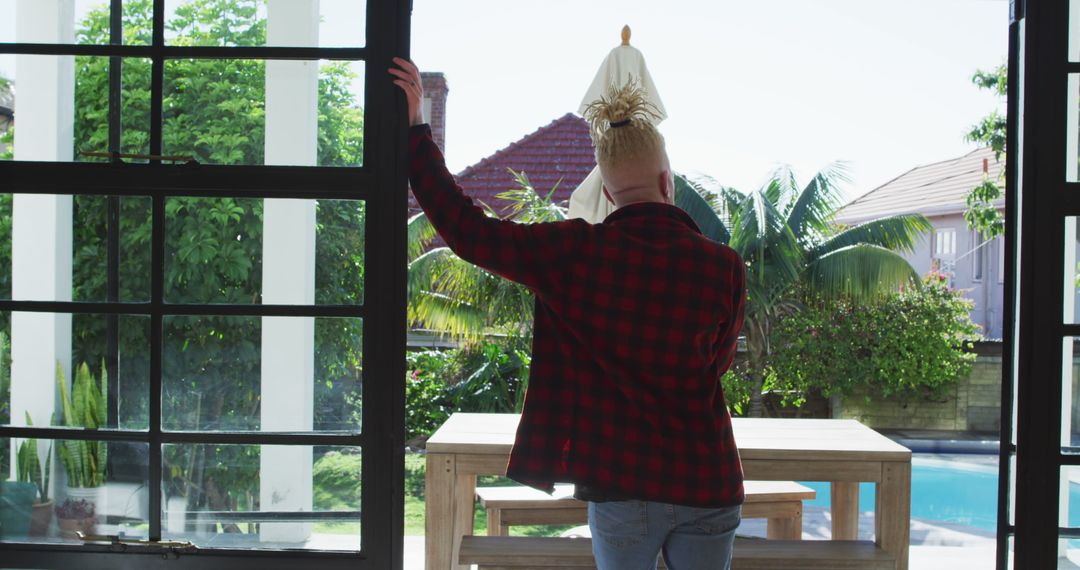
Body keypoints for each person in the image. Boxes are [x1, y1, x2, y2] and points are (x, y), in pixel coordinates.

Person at [391, 57, 746, 570]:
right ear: (667, 181)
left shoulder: (572, 253)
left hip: (623, 484)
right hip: (707, 477)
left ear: (605, 194)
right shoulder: (723, 267)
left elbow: (468, 231)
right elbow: (718, 364)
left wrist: (417, 132)